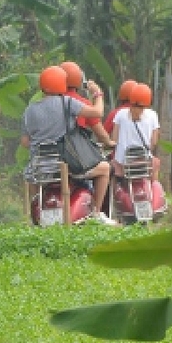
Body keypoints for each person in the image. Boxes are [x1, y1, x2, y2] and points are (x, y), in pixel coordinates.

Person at [21, 65, 115, 224]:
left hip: (39, 167)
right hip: (66, 166)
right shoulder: (67, 102)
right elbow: (97, 113)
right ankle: (97, 212)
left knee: (33, 181)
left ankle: (34, 217)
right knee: (105, 168)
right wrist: (97, 94)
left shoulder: (29, 110)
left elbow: (25, 142)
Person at [111, 82, 161, 182]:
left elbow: (114, 140)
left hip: (123, 165)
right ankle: (152, 186)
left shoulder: (120, 114)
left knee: (111, 167)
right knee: (156, 162)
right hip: (144, 165)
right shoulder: (153, 115)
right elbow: (154, 142)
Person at [60, 61, 115, 149]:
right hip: (77, 152)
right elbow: (101, 134)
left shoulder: (47, 103)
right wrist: (97, 94)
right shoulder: (82, 103)